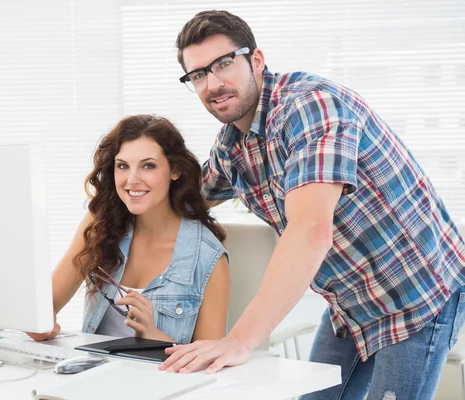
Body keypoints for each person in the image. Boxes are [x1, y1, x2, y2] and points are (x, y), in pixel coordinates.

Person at [159, 9, 465, 400]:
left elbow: (309, 231)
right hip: (351, 304)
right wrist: (132, 182)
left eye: (223, 64)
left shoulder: (310, 106)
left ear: (256, 60)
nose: (213, 83)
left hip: (415, 294)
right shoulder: (232, 146)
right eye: (198, 74)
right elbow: (184, 202)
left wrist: (238, 340)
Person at [27, 114, 230, 345]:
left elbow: (207, 364)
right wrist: (40, 324)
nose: (132, 180)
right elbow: (47, 304)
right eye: (123, 166)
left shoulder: (208, 258)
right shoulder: (101, 224)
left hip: (159, 380)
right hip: (92, 374)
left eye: (148, 166)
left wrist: (155, 336)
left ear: (175, 170)